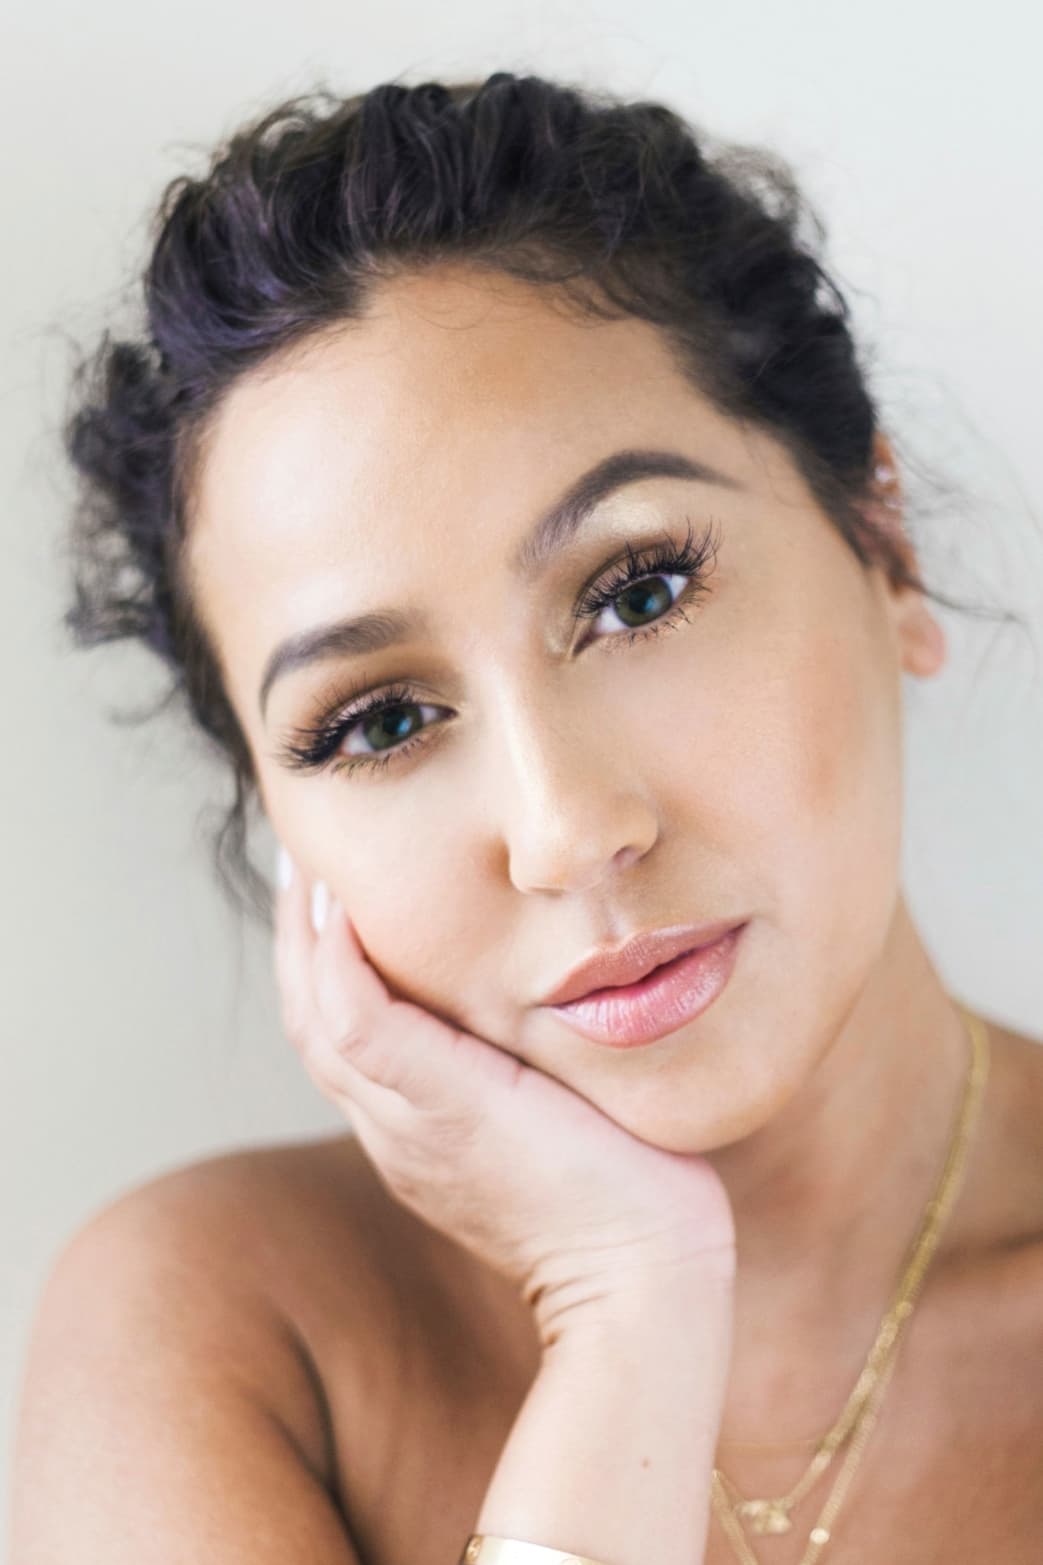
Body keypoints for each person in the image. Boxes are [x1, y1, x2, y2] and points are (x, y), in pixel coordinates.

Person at [10, 71, 1043, 1565]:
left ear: (884, 549)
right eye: (379, 721)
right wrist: (630, 1301)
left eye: (640, 593)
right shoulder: (220, 1330)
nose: (566, 831)